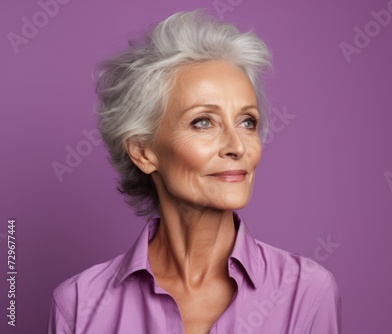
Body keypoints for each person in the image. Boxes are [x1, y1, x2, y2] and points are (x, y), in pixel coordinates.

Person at [48, 10, 341, 334]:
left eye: (247, 122)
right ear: (144, 152)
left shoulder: (308, 292)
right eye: (203, 121)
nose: (238, 146)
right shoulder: (78, 304)